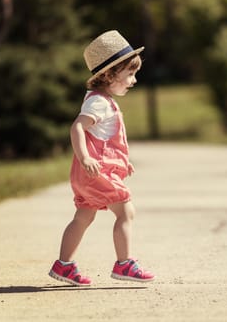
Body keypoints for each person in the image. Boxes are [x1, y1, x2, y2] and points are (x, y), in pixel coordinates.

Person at [48, 30, 155, 286]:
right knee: (126, 212)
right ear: (108, 75)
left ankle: (63, 265)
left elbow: (105, 139)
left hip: (89, 174)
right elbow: (77, 128)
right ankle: (124, 264)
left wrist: (122, 161)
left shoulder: (100, 100)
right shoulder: (99, 103)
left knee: (84, 216)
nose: (134, 80)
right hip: (95, 172)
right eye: (130, 73)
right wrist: (84, 157)